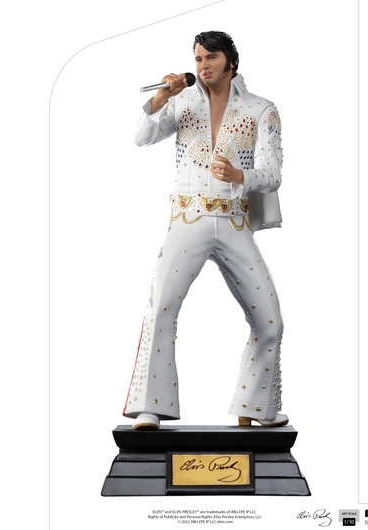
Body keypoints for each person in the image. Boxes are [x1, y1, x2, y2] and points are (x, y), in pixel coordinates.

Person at [123, 31, 288, 430]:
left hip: (233, 222)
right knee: (161, 307)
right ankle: (150, 406)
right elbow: (142, 137)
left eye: (210, 57)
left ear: (230, 61)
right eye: (198, 59)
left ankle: (256, 407)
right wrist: (160, 97)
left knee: (269, 320)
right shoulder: (181, 101)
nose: (203, 66)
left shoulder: (261, 109)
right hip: (188, 219)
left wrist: (240, 175)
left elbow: (273, 174)